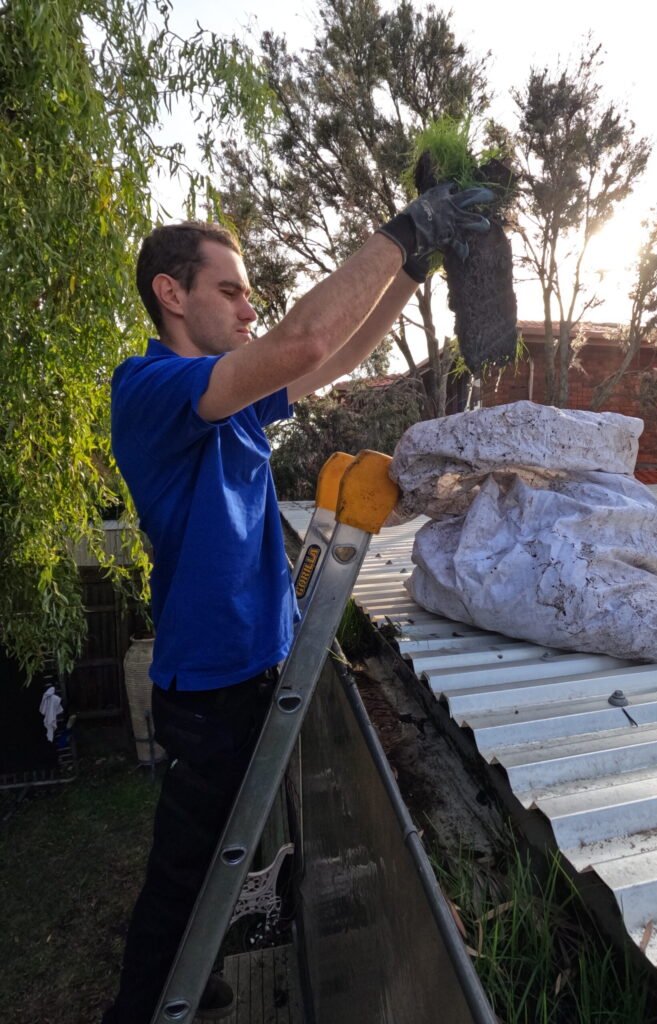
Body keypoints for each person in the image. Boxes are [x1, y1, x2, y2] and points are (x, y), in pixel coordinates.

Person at [103, 183, 492, 1023]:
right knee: (182, 878)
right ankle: (142, 1011)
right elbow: (300, 341)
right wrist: (402, 229)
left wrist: (412, 269)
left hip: (252, 672)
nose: (251, 307)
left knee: (204, 868)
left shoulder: (229, 403)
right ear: (170, 294)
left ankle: (188, 982)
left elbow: (328, 358)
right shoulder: (150, 388)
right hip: (208, 689)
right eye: (230, 290)